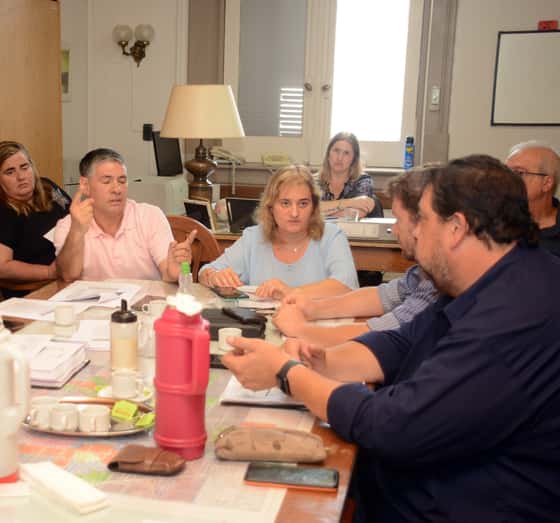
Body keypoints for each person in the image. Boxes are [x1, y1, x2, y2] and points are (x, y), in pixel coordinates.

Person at [223, 155, 560, 521]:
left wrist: (288, 374)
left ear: (456, 227)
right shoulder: (487, 279)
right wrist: (323, 360)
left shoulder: (515, 314)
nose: (413, 233)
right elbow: (404, 341)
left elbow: (392, 425)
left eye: (422, 220)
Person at [273, 168, 438, 345]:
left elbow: (385, 332)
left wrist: (301, 330)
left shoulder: (437, 284)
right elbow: (382, 296)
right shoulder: (422, 273)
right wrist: (313, 308)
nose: (393, 229)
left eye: (397, 219)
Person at [198, 165, 358, 299]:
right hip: (263, 325)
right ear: (271, 206)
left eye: (303, 204)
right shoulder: (253, 238)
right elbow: (205, 272)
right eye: (285, 203)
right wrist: (214, 277)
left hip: (315, 325)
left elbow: (346, 286)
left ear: (314, 207)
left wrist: (290, 292)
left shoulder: (331, 236)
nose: (294, 213)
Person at [54, 148, 195, 282]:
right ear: (85, 185)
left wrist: (174, 272)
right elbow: (68, 276)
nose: (117, 189)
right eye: (106, 181)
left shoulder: (150, 216)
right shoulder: (68, 225)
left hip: (145, 299)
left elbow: (168, 272)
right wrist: (77, 231)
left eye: (122, 181)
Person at [0, 141, 68, 298]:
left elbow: (77, 219)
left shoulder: (47, 188)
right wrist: (49, 272)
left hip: (73, 277)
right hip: (37, 290)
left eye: (25, 167)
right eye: (10, 172)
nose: (21, 177)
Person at [505, 141, 560, 256]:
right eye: (505, 172)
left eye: (519, 173)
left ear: (547, 183)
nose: (507, 179)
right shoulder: (490, 221)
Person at [317, 132, 382, 219]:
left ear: (354, 159)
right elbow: (308, 209)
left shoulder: (363, 181)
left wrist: (320, 212)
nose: (340, 158)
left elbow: (357, 214)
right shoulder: (314, 182)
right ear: (328, 154)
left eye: (346, 153)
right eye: (336, 151)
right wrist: (350, 203)